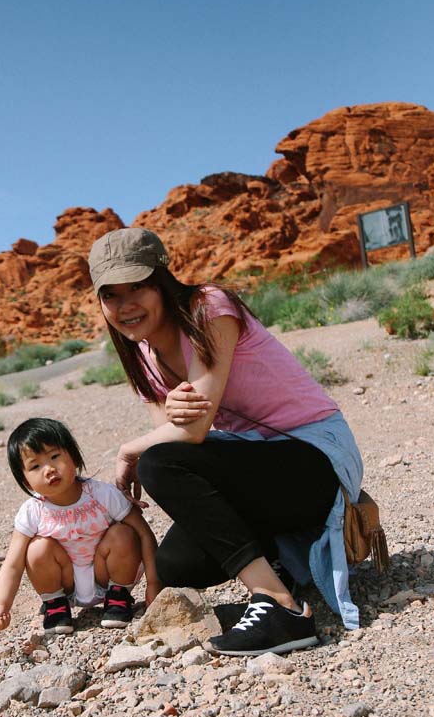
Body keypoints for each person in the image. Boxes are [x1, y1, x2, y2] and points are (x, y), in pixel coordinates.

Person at [87, 227, 364, 657]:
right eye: (111, 295)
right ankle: (279, 561)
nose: (125, 306)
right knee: (176, 564)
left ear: (162, 280)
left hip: (315, 454)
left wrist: (129, 450)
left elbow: (189, 435)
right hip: (260, 460)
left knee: (155, 464)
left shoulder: (207, 308)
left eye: (137, 287)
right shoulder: (143, 356)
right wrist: (161, 435)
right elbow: (178, 438)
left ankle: (279, 606)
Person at [0, 417, 159, 635]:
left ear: (74, 458)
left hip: (106, 574)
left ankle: (118, 598)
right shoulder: (32, 511)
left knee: (124, 533)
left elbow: (144, 534)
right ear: (26, 481)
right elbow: (13, 564)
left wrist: (154, 584)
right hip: (65, 583)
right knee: (36, 548)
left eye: (55, 456)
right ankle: (55, 605)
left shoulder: (103, 494)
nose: (48, 469)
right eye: (35, 466)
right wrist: (1, 606)